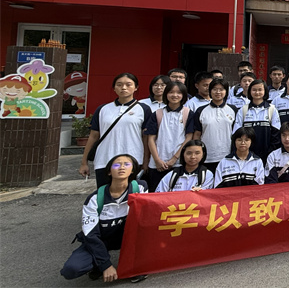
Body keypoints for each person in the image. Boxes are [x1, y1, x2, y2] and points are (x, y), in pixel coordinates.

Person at [62, 154, 148, 283]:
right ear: (109, 171)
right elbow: (91, 235)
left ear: (133, 170)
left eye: (127, 164)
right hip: (101, 239)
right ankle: (97, 264)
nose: (122, 167)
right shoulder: (94, 199)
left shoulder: (140, 188)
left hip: (127, 237)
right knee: (71, 269)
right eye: (117, 165)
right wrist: (105, 265)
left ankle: (135, 267)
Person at [79, 73, 153, 188]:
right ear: (114, 88)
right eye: (119, 85)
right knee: (104, 194)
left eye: (128, 84)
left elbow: (145, 137)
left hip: (133, 160)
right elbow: (93, 136)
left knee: (131, 195)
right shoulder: (103, 109)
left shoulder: (144, 109)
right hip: (104, 160)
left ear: (136, 87)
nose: (123, 88)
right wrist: (84, 162)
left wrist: (145, 160)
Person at [145, 80, 194, 189]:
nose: (175, 95)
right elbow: (151, 139)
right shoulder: (157, 114)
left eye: (179, 93)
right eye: (171, 92)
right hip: (157, 164)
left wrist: (174, 159)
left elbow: (189, 137)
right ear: (166, 94)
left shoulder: (188, 113)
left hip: (179, 163)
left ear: (184, 95)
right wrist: (157, 160)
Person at [191, 79, 237, 174]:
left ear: (226, 91)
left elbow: (236, 133)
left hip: (228, 155)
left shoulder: (233, 109)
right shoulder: (201, 110)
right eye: (215, 89)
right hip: (207, 156)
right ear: (210, 91)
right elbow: (197, 134)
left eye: (221, 89)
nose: (218, 92)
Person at [233, 79, 281, 164]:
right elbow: (236, 134)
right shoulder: (243, 110)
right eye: (254, 90)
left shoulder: (272, 109)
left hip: (267, 155)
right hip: (246, 155)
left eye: (260, 90)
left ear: (265, 91)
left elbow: (276, 135)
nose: (257, 92)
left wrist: (270, 153)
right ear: (250, 91)